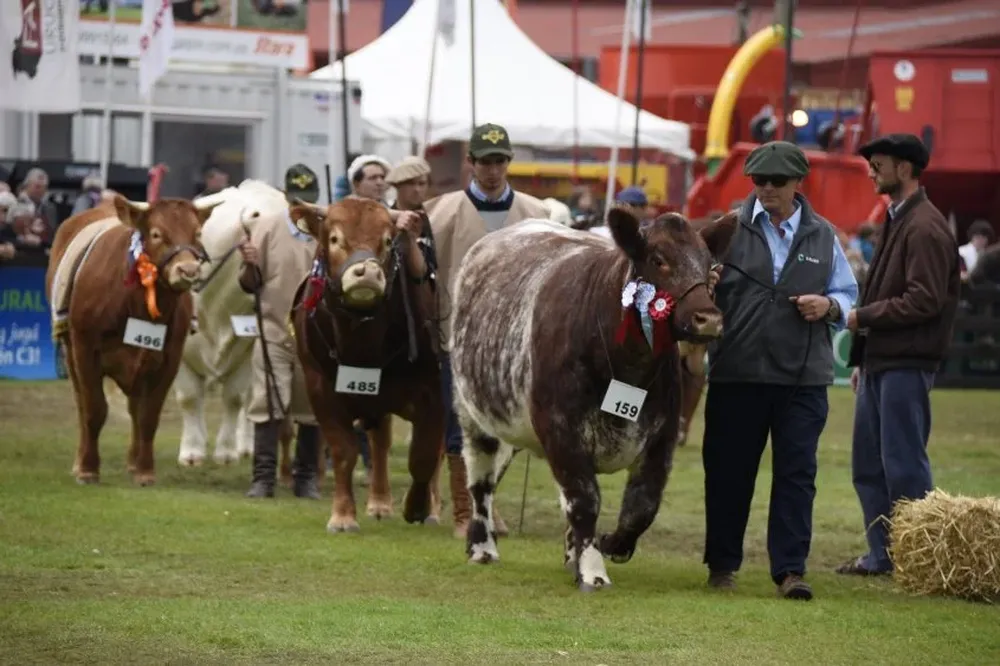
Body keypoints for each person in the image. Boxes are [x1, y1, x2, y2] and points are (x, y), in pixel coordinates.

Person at [702, 140, 859, 601]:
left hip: (802, 378)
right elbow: (692, 293)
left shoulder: (824, 235)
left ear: (797, 183)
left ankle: (790, 570)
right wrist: (707, 286)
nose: (767, 189)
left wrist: (828, 304)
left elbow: (849, 296)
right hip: (736, 373)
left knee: (796, 475)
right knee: (728, 473)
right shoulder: (725, 230)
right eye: (759, 181)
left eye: (777, 182)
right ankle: (722, 565)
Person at [838, 134, 961, 577]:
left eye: (879, 164)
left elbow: (923, 301)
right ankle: (884, 556)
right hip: (883, 362)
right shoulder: (899, 217)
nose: (871, 171)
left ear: (905, 169)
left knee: (904, 464)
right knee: (868, 466)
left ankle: (920, 560)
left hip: (906, 363)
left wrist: (860, 318)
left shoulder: (924, 226)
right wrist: (863, 361)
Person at [424, 123, 549, 539]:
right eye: (484, 161)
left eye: (499, 161)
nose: (492, 170)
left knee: (507, 426)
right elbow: (424, 275)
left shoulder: (536, 214)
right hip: (459, 338)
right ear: (471, 163)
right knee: (463, 426)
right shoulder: (440, 213)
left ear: (508, 162)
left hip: (517, 339)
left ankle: (486, 504)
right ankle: (464, 512)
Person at [236, 164, 326, 500]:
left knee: (311, 405)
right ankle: (263, 478)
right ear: (287, 199)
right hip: (273, 328)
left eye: (309, 202)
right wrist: (249, 263)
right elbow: (249, 285)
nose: (304, 209)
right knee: (268, 400)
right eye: (298, 202)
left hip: (314, 334)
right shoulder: (268, 228)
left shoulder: (328, 229)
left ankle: (306, 478)